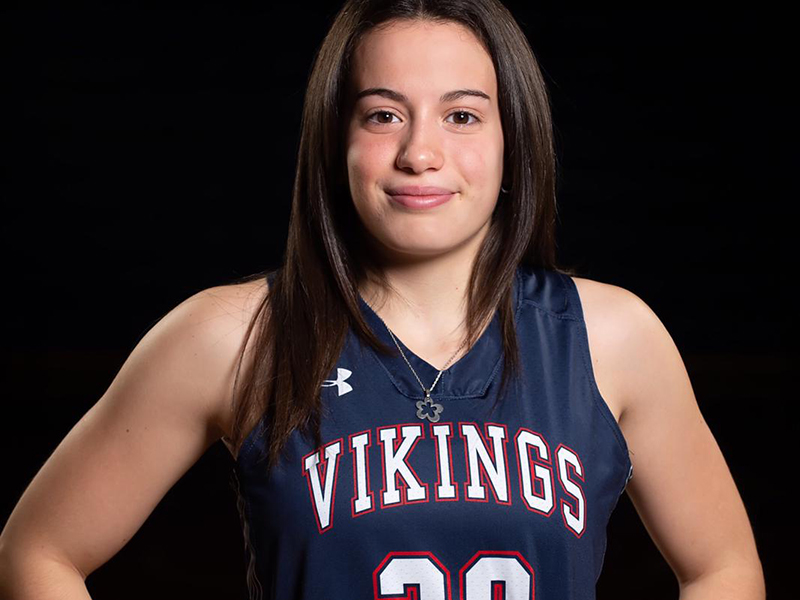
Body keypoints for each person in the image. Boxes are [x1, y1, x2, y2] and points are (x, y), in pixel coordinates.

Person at [0, 1, 765, 599]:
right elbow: (39, 550)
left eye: (462, 115)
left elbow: (723, 567)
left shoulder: (612, 337)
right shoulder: (235, 337)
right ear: (335, 139)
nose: (420, 152)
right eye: (383, 114)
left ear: (513, 139)